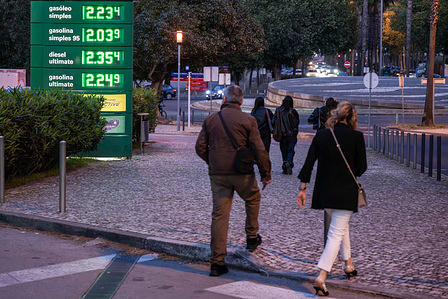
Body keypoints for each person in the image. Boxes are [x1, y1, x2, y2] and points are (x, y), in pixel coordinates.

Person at [195, 85, 272, 277]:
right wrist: (265, 174)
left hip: (218, 174)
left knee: (220, 215)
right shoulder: (248, 120)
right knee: (253, 198)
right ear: (241, 100)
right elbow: (259, 149)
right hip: (242, 172)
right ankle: (251, 236)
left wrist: (212, 161)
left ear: (224, 99)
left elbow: (200, 147)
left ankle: (217, 262)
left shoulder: (211, 119)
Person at [296, 101, 367, 296]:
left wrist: (302, 189)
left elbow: (308, 163)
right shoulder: (356, 137)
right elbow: (361, 169)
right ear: (352, 118)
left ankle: (348, 264)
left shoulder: (322, 135)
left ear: (335, 115)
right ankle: (322, 275)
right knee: (335, 234)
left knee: (340, 228)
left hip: (325, 194)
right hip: (345, 194)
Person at [272, 95, 300, 175]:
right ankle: (288, 162)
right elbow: (296, 123)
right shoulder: (293, 111)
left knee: (283, 150)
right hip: (291, 135)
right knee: (290, 150)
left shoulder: (278, 110)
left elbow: (273, 122)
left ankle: (285, 165)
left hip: (282, 134)